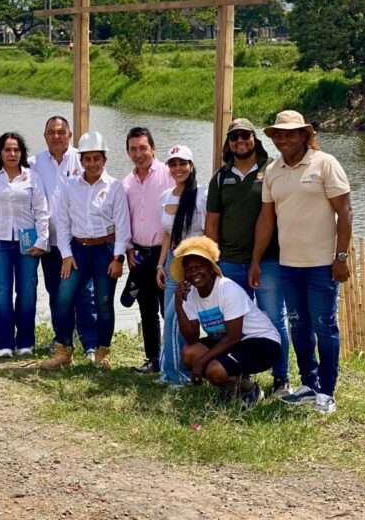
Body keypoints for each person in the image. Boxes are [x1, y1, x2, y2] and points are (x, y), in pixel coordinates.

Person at [250, 110, 353, 415]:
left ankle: (327, 392)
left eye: (291, 133)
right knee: (298, 326)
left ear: (305, 135)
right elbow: (266, 220)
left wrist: (341, 257)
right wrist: (256, 259)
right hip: (289, 265)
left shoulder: (325, 164)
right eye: (279, 134)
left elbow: (345, 212)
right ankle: (308, 384)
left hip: (322, 265)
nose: (284, 139)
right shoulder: (273, 171)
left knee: (324, 326)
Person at [205, 118, 290, 397]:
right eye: (234, 137)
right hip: (229, 261)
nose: (240, 141)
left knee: (273, 320)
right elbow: (212, 224)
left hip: (267, 262)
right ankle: (238, 377)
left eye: (245, 136)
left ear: (255, 139)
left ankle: (281, 379)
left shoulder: (272, 170)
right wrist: (211, 262)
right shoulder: (220, 177)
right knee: (232, 324)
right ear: (228, 143)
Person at [42, 131, 131, 370]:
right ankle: (64, 351)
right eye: (87, 159)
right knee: (63, 298)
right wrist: (66, 255)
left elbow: (123, 225)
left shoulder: (115, 187)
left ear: (104, 160)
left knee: (103, 302)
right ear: (81, 161)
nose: (92, 164)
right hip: (77, 250)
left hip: (105, 250)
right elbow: (62, 223)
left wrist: (118, 258)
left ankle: (102, 353)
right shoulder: (70, 186)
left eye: (96, 159)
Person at [173, 236, 281, 407]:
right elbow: (191, 338)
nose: (194, 273)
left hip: (262, 342)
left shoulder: (227, 289)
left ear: (211, 268)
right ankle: (234, 386)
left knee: (214, 370)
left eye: (199, 266)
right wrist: (178, 303)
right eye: (189, 269)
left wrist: (201, 363)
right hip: (232, 341)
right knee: (189, 353)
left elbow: (234, 337)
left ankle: (250, 389)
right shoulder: (191, 295)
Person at [0, 132, 50, 358]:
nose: (12, 154)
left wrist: (42, 240)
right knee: (1, 292)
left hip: (27, 243)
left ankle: (25, 342)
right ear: (0, 152)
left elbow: (41, 212)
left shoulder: (32, 178)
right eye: (7, 149)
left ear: (22, 153)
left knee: (27, 291)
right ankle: (4, 344)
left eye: (16, 149)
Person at [30, 116, 98, 359]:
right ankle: (62, 340)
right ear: (45, 135)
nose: (56, 136)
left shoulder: (83, 159)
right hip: (50, 242)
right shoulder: (34, 163)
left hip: (79, 241)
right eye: (51, 132)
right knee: (57, 292)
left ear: (69, 135)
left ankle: (91, 343)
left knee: (84, 292)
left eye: (61, 132)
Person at [121, 127, 174, 373]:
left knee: (170, 309)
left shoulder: (168, 174)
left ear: (153, 148)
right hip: (139, 255)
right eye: (133, 149)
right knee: (147, 309)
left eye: (143, 148)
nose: (138, 153)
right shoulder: (127, 183)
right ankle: (153, 359)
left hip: (165, 252)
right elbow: (124, 220)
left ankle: (174, 359)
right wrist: (128, 250)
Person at [153, 145, 206, 384]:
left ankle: (181, 372)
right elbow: (167, 235)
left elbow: (207, 232)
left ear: (191, 166)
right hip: (173, 261)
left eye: (182, 163)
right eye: (173, 164)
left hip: (195, 261)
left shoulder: (201, 195)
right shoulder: (166, 196)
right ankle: (169, 370)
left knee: (184, 317)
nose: (178, 168)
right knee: (171, 316)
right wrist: (160, 265)